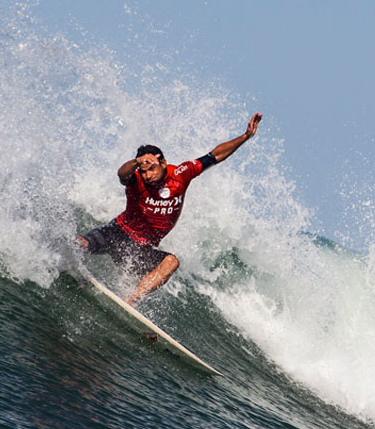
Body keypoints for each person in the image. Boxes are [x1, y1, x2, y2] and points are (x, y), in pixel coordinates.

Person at [76, 112, 263, 305]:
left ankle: (130, 300)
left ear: (163, 163)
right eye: (144, 170)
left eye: (151, 169)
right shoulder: (135, 177)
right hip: (118, 233)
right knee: (81, 243)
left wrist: (245, 136)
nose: (147, 175)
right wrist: (136, 163)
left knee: (172, 262)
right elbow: (121, 174)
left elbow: (214, 156)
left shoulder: (181, 174)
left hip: (141, 250)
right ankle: (55, 250)